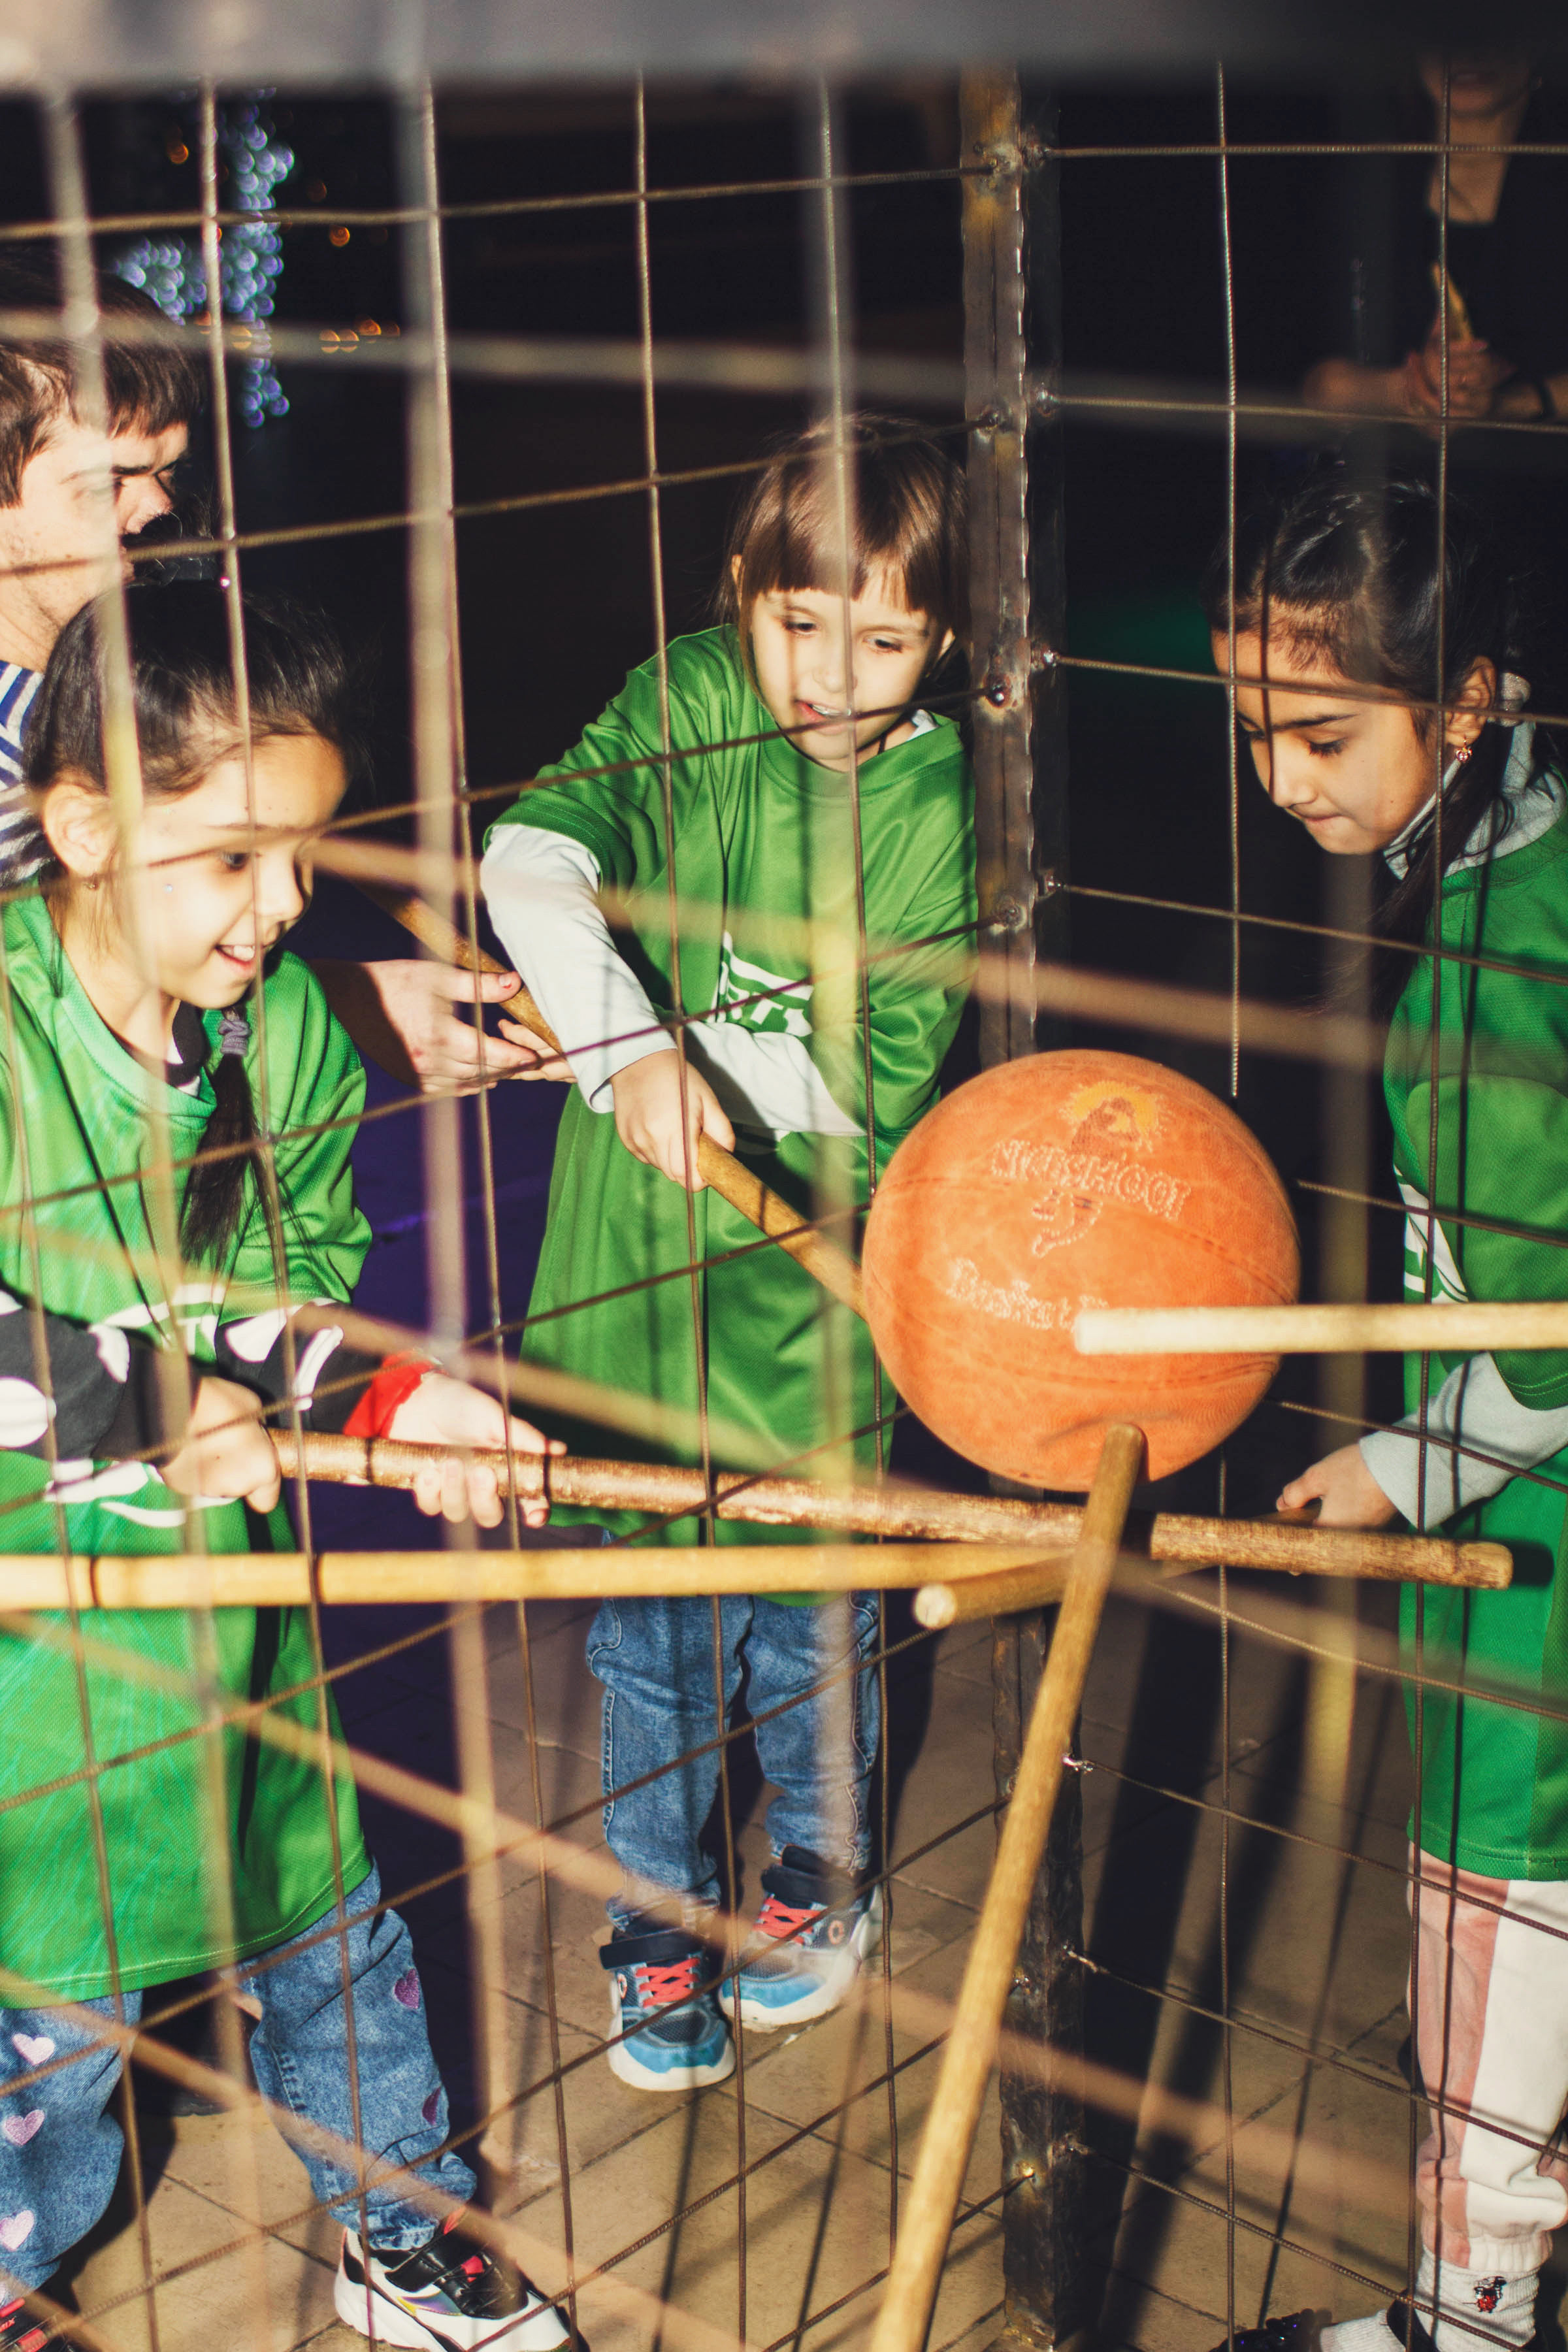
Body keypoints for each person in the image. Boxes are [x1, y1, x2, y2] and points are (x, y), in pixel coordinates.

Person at [0, 581, 573, 2352]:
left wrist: (407, 1403)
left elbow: (279, 1296)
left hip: (233, 1643)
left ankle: (402, 2225)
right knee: (50, 2065)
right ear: (82, 820)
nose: (282, 911)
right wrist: (152, 1405)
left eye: (305, 858)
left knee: (334, 1945)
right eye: (231, 860)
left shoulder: (284, 1039)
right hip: (37, 1702)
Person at [481, 416, 975, 2091]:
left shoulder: (942, 804)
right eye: (796, 622)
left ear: (947, 639)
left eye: (884, 635)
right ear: (739, 599)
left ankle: (819, 1880)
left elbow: (876, 1078)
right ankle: (654, 1928)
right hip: (631, 1297)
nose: (830, 676)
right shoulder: (688, 695)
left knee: (808, 1629)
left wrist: (663, 1044)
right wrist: (623, 1048)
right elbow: (529, 860)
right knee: (644, 1648)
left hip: (813, 1317)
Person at [1204, 458, 1568, 2352]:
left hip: (1547, 1575)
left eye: (1325, 735)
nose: (1284, 782)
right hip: (1514, 1527)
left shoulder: (1516, 959)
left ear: (1473, 692)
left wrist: (1404, 1463)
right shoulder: (1519, 861)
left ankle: (1476, 2316)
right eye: (1257, 732)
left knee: (1492, 1938)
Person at [0, 252, 542, 1094]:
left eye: (167, 469)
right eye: (111, 480)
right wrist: (341, 1006)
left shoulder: (135, 686)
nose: (160, 510)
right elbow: (51, 1016)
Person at [1303, 54, 1568, 428]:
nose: (1469, 48)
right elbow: (1308, 382)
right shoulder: (1359, 176)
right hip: (1382, 478)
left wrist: (1505, 403)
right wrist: (1414, 389)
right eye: (1446, 17)